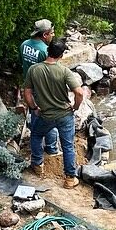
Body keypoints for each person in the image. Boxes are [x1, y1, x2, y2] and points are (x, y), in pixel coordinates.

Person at [23, 39, 87, 187]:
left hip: (45, 114)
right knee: (68, 146)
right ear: (62, 55)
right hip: (64, 115)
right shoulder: (64, 71)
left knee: (37, 135)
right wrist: (75, 107)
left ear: (48, 51)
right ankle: (70, 178)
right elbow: (79, 92)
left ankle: (38, 165)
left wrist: (34, 108)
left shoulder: (34, 69)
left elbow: (27, 93)